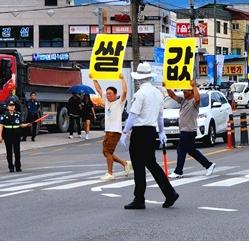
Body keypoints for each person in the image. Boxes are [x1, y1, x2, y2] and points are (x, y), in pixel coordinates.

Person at [121, 62, 179, 210]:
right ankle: (169, 192)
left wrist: (124, 132)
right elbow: (160, 117)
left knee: (139, 166)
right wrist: (161, 132)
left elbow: (133, 116)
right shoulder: (158, 93)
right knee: (152, 164)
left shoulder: (140, 94)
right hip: (152, 131)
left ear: (139, 78)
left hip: (140, 132)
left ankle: (139, 198)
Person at [164, 80, 216, 178]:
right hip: (185, 130)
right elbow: (173, 96)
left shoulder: (194, 102)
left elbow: (197, 99)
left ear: (191, 91)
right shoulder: (183, 100)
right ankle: (208, 165)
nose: (183, 91)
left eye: (186, 90)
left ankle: (178, 171)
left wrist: (194, 86)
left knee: (181, 150)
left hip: (189, 130)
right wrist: (167, 87)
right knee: (191, 151)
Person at [91, 73, 132, 181]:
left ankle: (110, 173)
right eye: (107, 93)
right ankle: (125, 163)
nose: (108, 95)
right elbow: (99, 89)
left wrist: (123, 79)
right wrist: (94, 78)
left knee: (108, 152)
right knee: (105, 152)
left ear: (115, 94)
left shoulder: (119, 103)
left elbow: (125, 91)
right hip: (108, 130)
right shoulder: (106, 102)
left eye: (110, 94)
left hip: (114, 131)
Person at [0, 100, 31, 172]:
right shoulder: (4, 116)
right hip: (8, 135)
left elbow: (20, 125)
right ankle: (11, 166)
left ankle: (18, 166)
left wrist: (27, 124)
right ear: (7, 107)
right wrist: (0, 136)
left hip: (16, 135)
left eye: (13, 105)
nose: (12, 107)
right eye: (10, 105)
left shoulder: (18, 115)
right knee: (9, 152)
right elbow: (1, 126)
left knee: (17, 151)